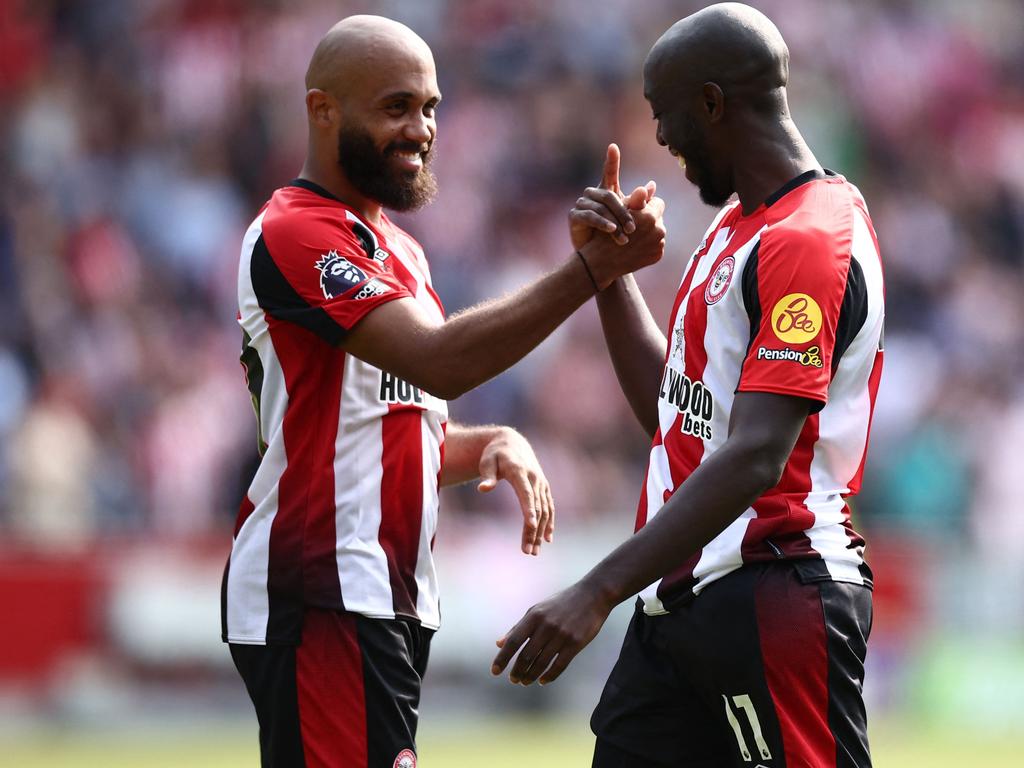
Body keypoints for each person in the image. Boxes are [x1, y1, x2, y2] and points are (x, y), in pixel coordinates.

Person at [221, 14, 666, 768]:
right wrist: (591, 272)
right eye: (395, 106)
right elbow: (438, 363)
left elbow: (388, 428)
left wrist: (489, 443)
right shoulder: (294, 231)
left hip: (382, 595)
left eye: (430, 107)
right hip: (324, 590)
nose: (421, 129)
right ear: (322, 109)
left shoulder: (400, 249)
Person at [491, 4, 884, 767]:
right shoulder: (737, 225)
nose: (662, 139)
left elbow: (755, 457)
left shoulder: (809, 238)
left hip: (775, 587)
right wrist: (608, 276)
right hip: (681, 606)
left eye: (665, 113)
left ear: (712, 102)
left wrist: (596, 589)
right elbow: (677, 423)